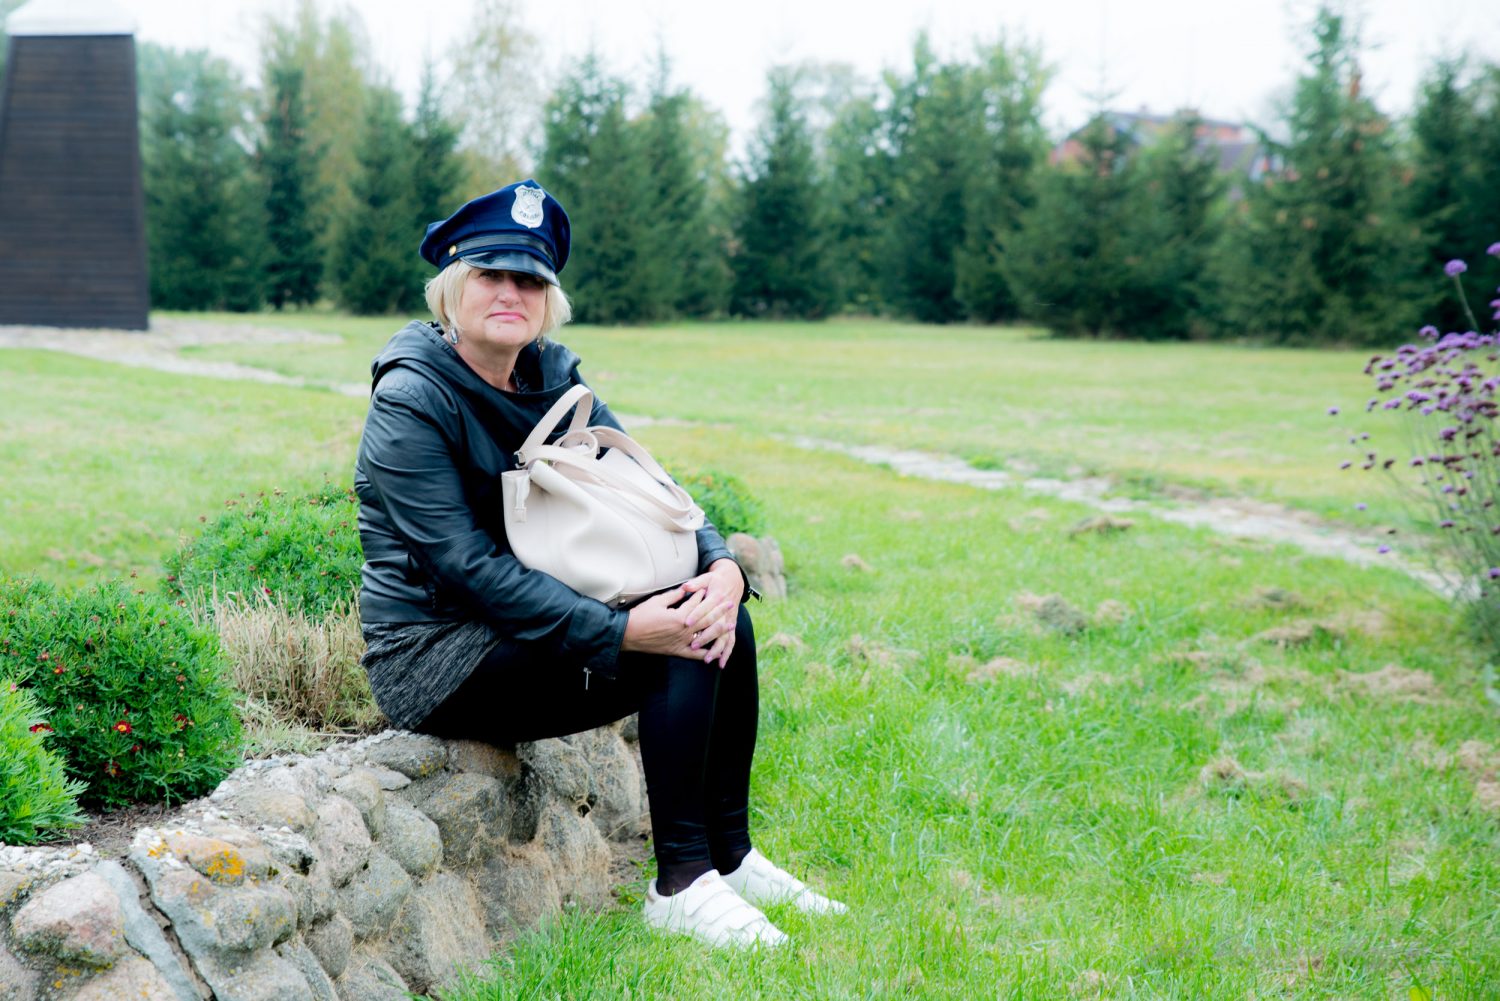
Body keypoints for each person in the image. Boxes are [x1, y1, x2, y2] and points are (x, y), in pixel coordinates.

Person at [353, 180, 844, 949]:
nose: (510, 292)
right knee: (674, 640)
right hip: (439, 654)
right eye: (490, 274)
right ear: (451, 289)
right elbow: (463, 567)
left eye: (529, 279)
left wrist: (721, 565)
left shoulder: (552, 377)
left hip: (526, 626)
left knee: (724, 621)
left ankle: (731, 856)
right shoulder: (412, 397)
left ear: (549, 300)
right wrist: (618, 633)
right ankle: (681, 884)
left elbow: (654, 490)